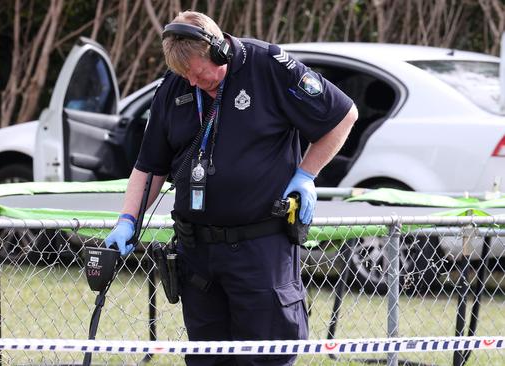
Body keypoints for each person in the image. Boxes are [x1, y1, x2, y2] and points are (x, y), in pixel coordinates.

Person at [105, 10, 358, 366]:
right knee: (207, 361)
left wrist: (306, 175)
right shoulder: (173, 87)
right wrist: (128, 219)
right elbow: (149, 167)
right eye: (185, 76)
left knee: (267, 358)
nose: (192, 83)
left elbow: (343, 115)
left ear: (218, 50)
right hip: (199, 257)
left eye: (197, 73)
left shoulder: (268, 66)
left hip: (261, 250)